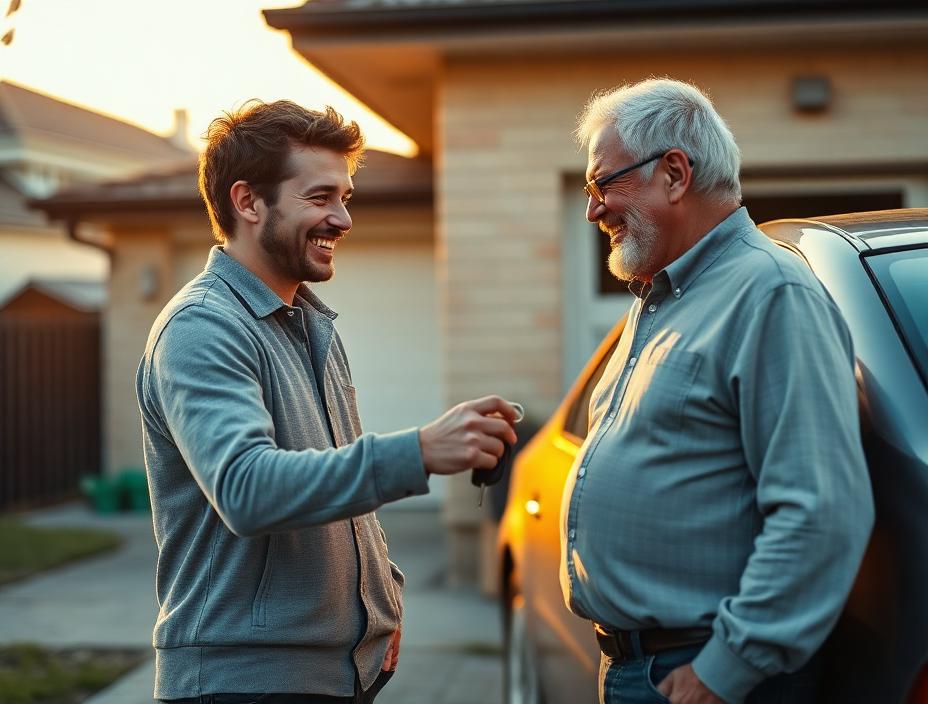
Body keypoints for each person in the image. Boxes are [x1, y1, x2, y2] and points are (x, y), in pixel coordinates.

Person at [136, 100, 519, 704]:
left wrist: (379, 602)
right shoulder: (201, 327)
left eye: (345, 198)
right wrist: (419, 451)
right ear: (248, 202)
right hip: (244, 684)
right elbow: (246, 487)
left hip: (328, 677)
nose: (342, 218)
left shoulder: (310, 324)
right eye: (320, 198)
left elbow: (334, 483)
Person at [560, 78, 874, 704]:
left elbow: (821, 511)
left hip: (706, 673)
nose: (593, 209)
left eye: (604, 184)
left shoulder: (769, 293)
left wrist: (724, 670)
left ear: (674, 173)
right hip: (654, 667)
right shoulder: (668, 296)